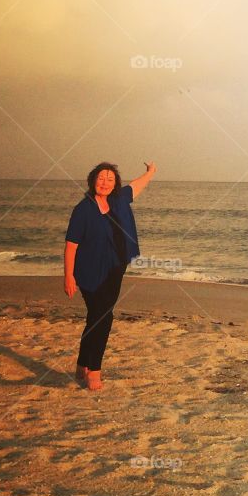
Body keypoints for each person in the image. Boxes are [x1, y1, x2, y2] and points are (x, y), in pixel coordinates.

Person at [64, 160, 157, 391]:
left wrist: (151, 172)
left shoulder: (118, 201)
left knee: (97, 317)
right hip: (87, 271)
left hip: (115, 269)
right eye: (101, 178)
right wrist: (68, 276)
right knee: (102, 318)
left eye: (110, 179)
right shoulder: (83, 209)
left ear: (115, 183)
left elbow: (137, 186)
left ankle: (82, 365)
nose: (105, 183)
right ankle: (94, 371)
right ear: (92, 180)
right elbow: (71, 246)